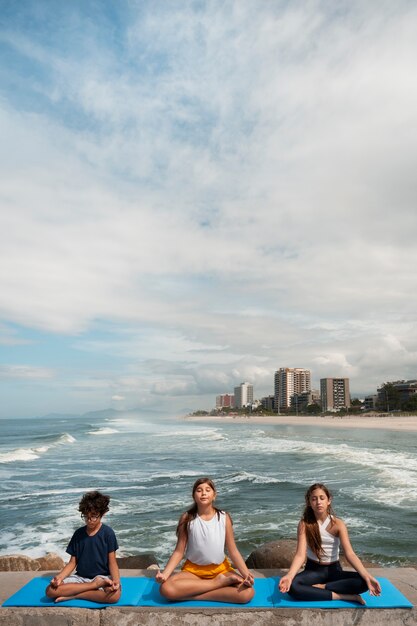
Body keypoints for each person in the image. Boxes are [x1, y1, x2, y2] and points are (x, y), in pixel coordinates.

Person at [156, 477, 255, 603]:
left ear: (214, 495)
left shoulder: (224, 518)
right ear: (194, 496)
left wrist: (247, 575)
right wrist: (165, 574)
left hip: (221, 570)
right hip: (193, 572)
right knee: (166, 589)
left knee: (247, 593)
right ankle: (216, 584)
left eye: (208, 490)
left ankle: (192, 595)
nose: (203, 493)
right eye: (199, 490)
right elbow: (179, 552)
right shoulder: (187, 518)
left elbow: (233, 551)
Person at [279, 483, 382, 604]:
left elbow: (350, 554)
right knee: (293, 587)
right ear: (309, 502)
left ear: (329, 500)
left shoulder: (338, 524)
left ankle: (323, 588)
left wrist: (367, 576)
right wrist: (290, 576)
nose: (318, 502)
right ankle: (344, 596)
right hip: (313, 571)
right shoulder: (304, 524)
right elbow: (300, 555)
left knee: (364, 583)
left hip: (334, 571)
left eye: (322, 498)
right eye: (314, 499)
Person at [46, 491, 121, 603]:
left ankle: (75, 595)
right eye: (86, 516)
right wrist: (59, 578)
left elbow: (112, 562)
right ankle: (92, 587)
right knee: (50, 591)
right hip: (80, 578)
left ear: (102, 514)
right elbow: (72, 563)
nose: (89, 520)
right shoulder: (78, 534)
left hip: (102, 578)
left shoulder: (108, 533)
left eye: (93, 516)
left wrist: (116, 581)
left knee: (115, 596)